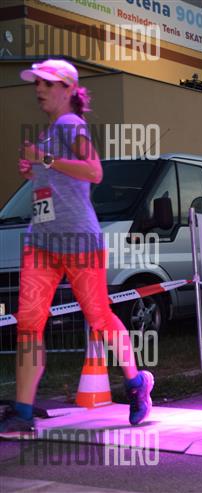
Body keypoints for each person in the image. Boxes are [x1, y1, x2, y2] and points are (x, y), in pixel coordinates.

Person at [0, 60, 154, 436]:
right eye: (37, 83)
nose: (39, 89)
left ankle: (137, 384)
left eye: (47, 83)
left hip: (78, 241)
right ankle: (23, 412)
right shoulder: (49, 134)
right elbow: (56, 183)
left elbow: (94, 171)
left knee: (99, 317)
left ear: (68, 89)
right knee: (29, 325)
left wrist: (44, 160)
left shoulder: (71, 125)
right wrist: (34, 172)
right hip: (42, 242)